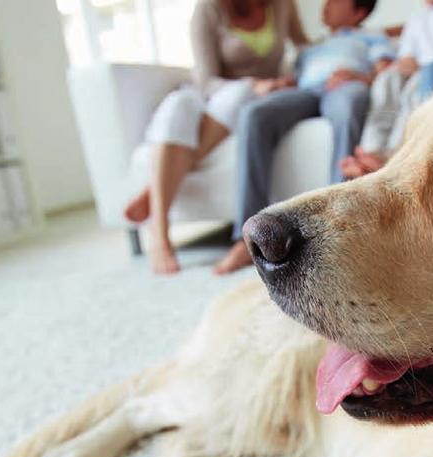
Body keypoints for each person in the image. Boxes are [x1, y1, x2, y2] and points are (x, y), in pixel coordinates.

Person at [123, 0, 308, 274]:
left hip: (257, 99)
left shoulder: (282, 4)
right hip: (216, 94)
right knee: (177, 105)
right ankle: (160, 236)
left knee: (244, 96)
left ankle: (154, 191)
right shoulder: (209, 8)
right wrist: (256, 84)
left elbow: (303, 45)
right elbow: (206, 79)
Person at [213, 0, 391, 274]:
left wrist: (360, 77)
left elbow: (386, 69)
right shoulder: (312, 48)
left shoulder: (372, 37)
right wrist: (283, 84)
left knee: (351, 103)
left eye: (335, 1)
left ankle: (337, 227)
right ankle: (244, 238)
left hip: (344, 87)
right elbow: (294, 76)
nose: (326, 5)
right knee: (254, 114)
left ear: (358, 11)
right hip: (305, 91)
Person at [340, 0, 433, 179]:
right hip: (419, 70)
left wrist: (423, 68)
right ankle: (370, 151)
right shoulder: (419, 18)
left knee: (416, 84)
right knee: (387, 79)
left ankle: (394, 155)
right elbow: (407, 57)